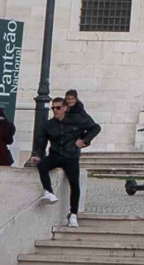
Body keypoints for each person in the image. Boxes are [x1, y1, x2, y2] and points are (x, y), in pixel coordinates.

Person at [28, 96, 101, 227]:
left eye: (58, 108)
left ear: (65, 108)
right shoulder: (48, 125)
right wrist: (37, 155)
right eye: (53, 108)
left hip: (71, 156)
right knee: (42, 165)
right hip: (55, 154)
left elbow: (95, 128)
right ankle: (49, 192)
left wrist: (84, 141)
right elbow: (41, 143)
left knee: (74, 183)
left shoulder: (76, 121)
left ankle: (73, 214)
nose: (55, 110)